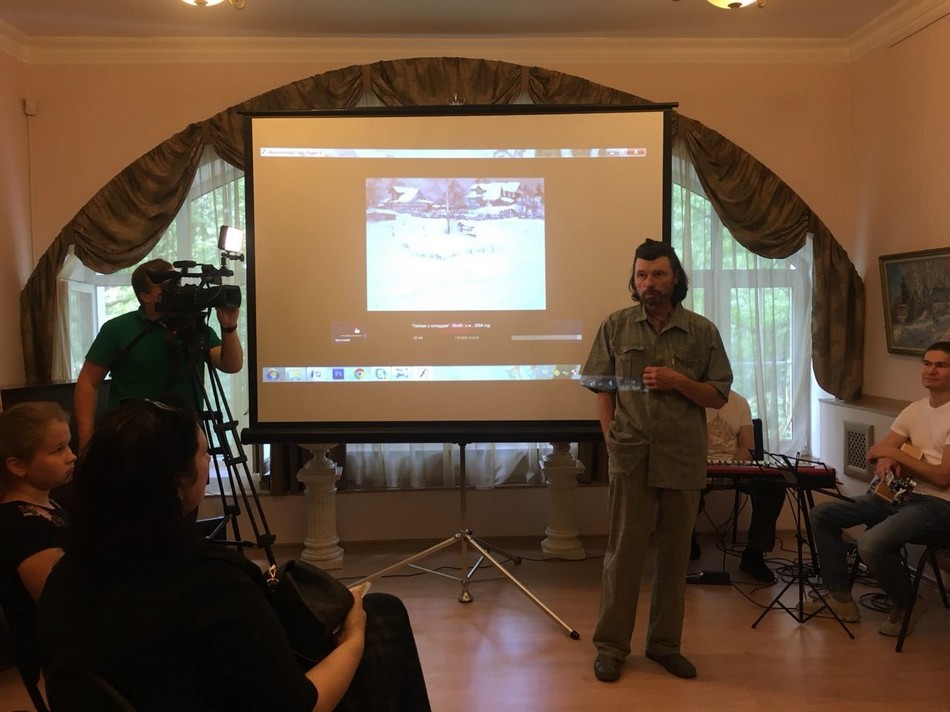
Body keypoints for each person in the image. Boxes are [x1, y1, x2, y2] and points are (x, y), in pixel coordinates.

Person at [37, 399, 431, 712]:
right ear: (177, 480)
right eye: (203, 453)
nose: (209, 460)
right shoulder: (209, 581)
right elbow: (302, 706)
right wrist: (353, 635)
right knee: (381, 616)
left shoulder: (65, 575)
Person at [581, 238, 733, 683]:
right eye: (642, 275)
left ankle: (665, 646)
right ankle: (611, 647)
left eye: (658, 274)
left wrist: (677, 381)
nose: (649, 282)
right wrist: (611, 440)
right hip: (631, 456)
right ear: (634, 279)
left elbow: (717, 394)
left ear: (675, 278)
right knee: (622, 555)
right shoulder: (615, 326)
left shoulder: (702, 331)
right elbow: (603, 390)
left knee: (674, 556)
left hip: (682, 457)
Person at [804, 341, 950, 637]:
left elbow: (942, 477)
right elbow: (876, 450)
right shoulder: (915, 409)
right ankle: (840, 598)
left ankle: (908, 603)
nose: (931, 370)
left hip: (939, 505)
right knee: (823, 514)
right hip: (901, 496)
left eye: (941, 365)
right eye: (926, 363)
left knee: (870, 543)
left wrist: (896, 454)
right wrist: (887, 458)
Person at [73, 258, 243, 451]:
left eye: (177, 283)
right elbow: (88, 382)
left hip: (184, 435)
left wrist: (229, 326)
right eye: (166, 287)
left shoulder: (194, 327)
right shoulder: (117, 329)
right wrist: (86, 438)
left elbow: (231, 365)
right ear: (145, 296)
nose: (176, 290)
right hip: (131, 439)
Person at [0, 402, 75, 667]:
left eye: (69, 445)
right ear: (17, 466)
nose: (72, 456)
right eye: (58, 449)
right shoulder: (22, 527)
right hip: (65, 654)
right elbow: (63, 606)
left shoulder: (47, 504)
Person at [700, 390, 786, 583]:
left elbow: (747, 446)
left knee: (773, 488)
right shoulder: (693, 397)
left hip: (735, 466)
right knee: (680, 487)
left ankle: (754, 554)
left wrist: (731, 468)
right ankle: (687, 542)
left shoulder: (739, 402)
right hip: (698, 467)